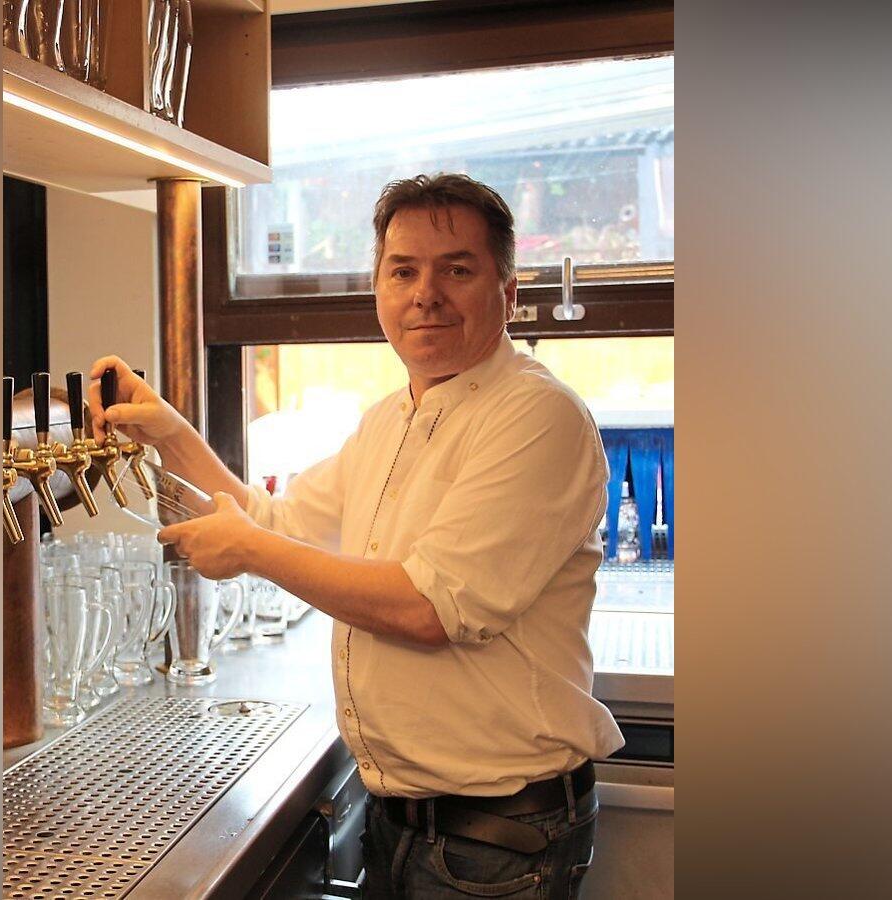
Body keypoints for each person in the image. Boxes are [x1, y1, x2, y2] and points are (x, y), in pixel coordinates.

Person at [86, 173, 621, 898]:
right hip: (405, 822)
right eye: (403, 271)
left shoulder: (535, 415)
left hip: (497, 838)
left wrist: (250, 550)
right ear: (378, 289)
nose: (425, 294)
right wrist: (169, 433)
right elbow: (272, 522)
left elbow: (429, 608)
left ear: (508, 291)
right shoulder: (389, 420)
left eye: (457, 270)